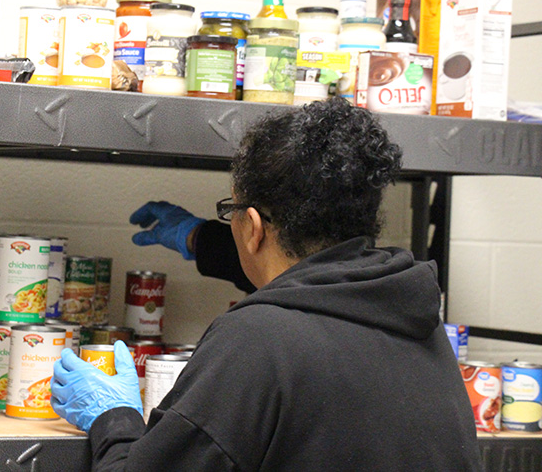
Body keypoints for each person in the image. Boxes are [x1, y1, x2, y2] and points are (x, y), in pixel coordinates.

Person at [51, 98, 482, 471]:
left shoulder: (257, 339)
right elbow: (312, 278)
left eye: (231, 211)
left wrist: (115, 418)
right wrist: (200, 238)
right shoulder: (413, 314)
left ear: (252, 226)